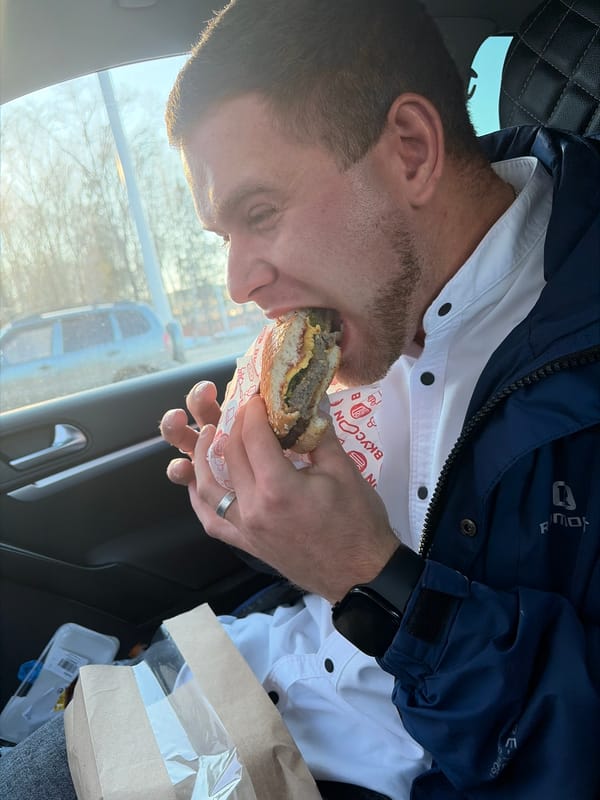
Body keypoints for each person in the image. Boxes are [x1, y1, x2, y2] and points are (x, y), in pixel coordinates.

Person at [1, 1, 598, 798]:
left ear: (412, 151)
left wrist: (371, 578)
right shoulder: (363, 308)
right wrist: (256, 511)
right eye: (226, 237)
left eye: (260, 214)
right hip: (246, 668)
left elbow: (573, 752)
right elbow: (309, 576)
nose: (237, 283)